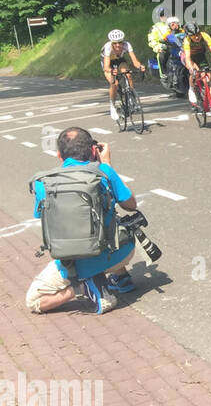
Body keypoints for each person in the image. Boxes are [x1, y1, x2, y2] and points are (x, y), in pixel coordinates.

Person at [26, 129, 138, 315]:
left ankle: (79, 287)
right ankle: (117, 277)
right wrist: (108, 165)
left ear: (59, 155)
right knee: (108, 222)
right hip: (120, 253)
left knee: (33, 301)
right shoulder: (103, 172)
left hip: (73, 264)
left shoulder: (43, 183)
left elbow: (43, 218)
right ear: (94, 151)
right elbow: (131, 205)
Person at [101, 29, 146, 122]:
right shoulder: (107, 47)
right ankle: (112, 106)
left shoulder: (127, 45)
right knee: (114, 83)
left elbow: (135, 61)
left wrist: (140, 66)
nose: (118, 45)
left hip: (119, 60)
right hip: (108, 63)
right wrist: (111, 70)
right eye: (115, 43)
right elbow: (106, 66)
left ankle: (131, 97)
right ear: (111, 43)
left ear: (123, 42)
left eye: (120, 42)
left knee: (128, 74)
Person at [180, 22, 211, 112]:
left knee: (207, 77)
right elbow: (188, 58)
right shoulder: (187, 40)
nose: (196, 37)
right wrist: (191, 68)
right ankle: (192, 89)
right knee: (195, 73)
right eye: (193, 35)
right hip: (188, 57)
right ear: (189, 35)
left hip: (200, 56)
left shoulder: (205, 36)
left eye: (198, 34)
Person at [149, 16, 182, 84]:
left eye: (167, 14)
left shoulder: (180, 27)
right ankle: (164, 74)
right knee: (162, 55)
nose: (164, 16)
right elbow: (151, 41)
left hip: (180, 47)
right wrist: (159, 47)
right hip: (165, 47)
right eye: (162, 15)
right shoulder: (155, 27)